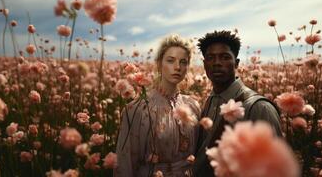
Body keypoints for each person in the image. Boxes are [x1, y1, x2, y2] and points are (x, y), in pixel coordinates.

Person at [192, 30, 282, 177]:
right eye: (210, 58)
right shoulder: (209, 101)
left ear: (237, 63)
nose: (217, 63)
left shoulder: (259, 107)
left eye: (225, 57)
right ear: (204, 64)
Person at [115, 34, 201, 177]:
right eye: (170, 60)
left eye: (183, 62)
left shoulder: (193, 106)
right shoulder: (138, 108)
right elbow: (125, 163)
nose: (177, 67)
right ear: (159, 63)